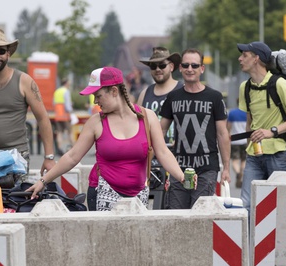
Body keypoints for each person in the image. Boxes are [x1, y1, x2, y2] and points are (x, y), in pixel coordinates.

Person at [27, 67, 188, 212]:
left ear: (114, 91)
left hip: (139, 194)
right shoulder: (96, 122)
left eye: (98, 96)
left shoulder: (148, 117)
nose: (95, 101)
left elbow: (163, 153)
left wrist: (182, 177)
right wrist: (43, 181)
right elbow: (72, 156)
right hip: (103, 192)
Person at [0, 28, 56, 176]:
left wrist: (49, 157)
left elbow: (42, 118)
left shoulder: (24, 82)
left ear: (8, 53)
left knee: (15, 199)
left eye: (1, 51)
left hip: (16, 158)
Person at [237, 40, 286, 212]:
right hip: (254, 155)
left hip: (279, 154)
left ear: (256, 59)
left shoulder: (279, 84)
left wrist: (272, 131)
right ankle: (249, 240)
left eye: (244, 55)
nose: (240, 59)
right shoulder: (245, 87)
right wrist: (247, 151)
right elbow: (249, 123)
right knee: (247, 205)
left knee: (279, 208)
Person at [159, 48, 230, 209]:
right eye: (186, 65)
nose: (190, 69)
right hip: (178, 168)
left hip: (206, 168)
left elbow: (222, 133)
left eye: (194, 65)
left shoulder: (214, 97)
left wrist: (226, 168)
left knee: (200, 214)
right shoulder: (173, 97)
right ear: (180, 68)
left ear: (202, 69)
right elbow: (160, 131)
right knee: (176, 215)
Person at [136, 47, 183, 146]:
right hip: (151, 156)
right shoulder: (144, 94)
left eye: (162, 65)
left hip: (176, 156)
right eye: (153, 66)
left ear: (171, 67)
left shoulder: (183, 90)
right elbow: (137, 126)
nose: (158, 69)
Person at [227, 101, 248, 188]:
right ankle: (241, 173)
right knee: (243, 160)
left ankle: (238, 172)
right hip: (245, 140)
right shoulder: (248, 113)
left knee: (235, 160)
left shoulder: (232, 113)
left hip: (235, 140)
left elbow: (228, 127)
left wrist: (228, 134)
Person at [53, 78, 73, 155]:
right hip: (65, 115)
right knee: (70, 132)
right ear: (66, 83)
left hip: (58, 115)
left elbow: (54, 103)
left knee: (59, 133)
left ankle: (59, 148)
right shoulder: (66, 91)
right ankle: (73, 148)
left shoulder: (57, 91)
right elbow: (67, 106)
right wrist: (71, 112)